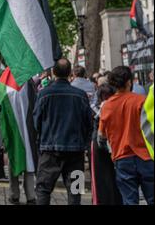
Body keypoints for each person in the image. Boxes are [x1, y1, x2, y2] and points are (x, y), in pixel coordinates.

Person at [33, 58, 92, 205]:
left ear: (53, 72)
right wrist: (84, 143)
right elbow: (88, 123)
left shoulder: (44, 94)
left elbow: (36, 122)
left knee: (43, 190)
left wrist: (42, 138)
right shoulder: (80, 95)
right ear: (70, 73)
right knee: (75, 190)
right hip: (75, 151)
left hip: (49, 149)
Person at [99, 66, 153, 205]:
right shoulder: (142, 100)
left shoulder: (106, 106)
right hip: (145, 156)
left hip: (122, 157)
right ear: (129, 82)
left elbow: (101, 136)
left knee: (129, 200)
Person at [90, 83, 122, 205]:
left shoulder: (94, 107)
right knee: (114, 175)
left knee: (99, 177)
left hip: (98, 144)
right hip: (115, 142)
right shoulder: (116, 106)